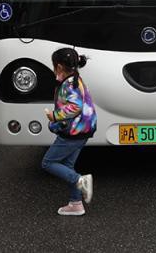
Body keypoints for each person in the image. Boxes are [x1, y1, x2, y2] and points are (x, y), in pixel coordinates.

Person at [41, 48, 97, 216]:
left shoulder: (69, 84)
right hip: (84, 129)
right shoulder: (75, 79)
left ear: (58, 67)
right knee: (67, 165)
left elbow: (75, 107)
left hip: (73, 132)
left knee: (48, 162)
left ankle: (80, 180)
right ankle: (76, 203)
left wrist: (55, 116)